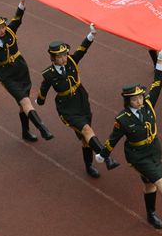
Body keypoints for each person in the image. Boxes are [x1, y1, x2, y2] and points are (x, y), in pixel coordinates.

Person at [96, 50, 162, 228]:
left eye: (140, 97)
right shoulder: (123, 119)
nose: (139, 101)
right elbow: (113, 139)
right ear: (128, 101)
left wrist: (160, 62)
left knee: (150, 184)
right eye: (135, 99)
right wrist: (103, 155)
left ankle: (151, 213)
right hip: (138, 156)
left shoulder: (148, 105)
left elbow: (157, 84)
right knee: (160, 181)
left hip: (154, 150)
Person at [36, 24, 119, 177]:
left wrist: (91, 35)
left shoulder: (72, 61)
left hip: (81, 100)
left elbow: (82, 49)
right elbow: (44, 88)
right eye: (60, 56)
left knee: (86, 138)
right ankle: (106, 158)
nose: (64, 58)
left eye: (65, 55)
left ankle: (89, 166)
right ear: (53, 58)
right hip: (67, 107)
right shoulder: (49, 74)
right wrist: (40, 100)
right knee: (87, 130)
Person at [0, 0, 53, 142]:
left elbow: (17, 19)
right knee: (25, 101)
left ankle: (25, 132)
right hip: (7, 75)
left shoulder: (10, 31)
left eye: (3, 26)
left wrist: (21, 5)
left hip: (21, 69)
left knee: (23, 105)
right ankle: (43, 129)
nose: (2, 30)